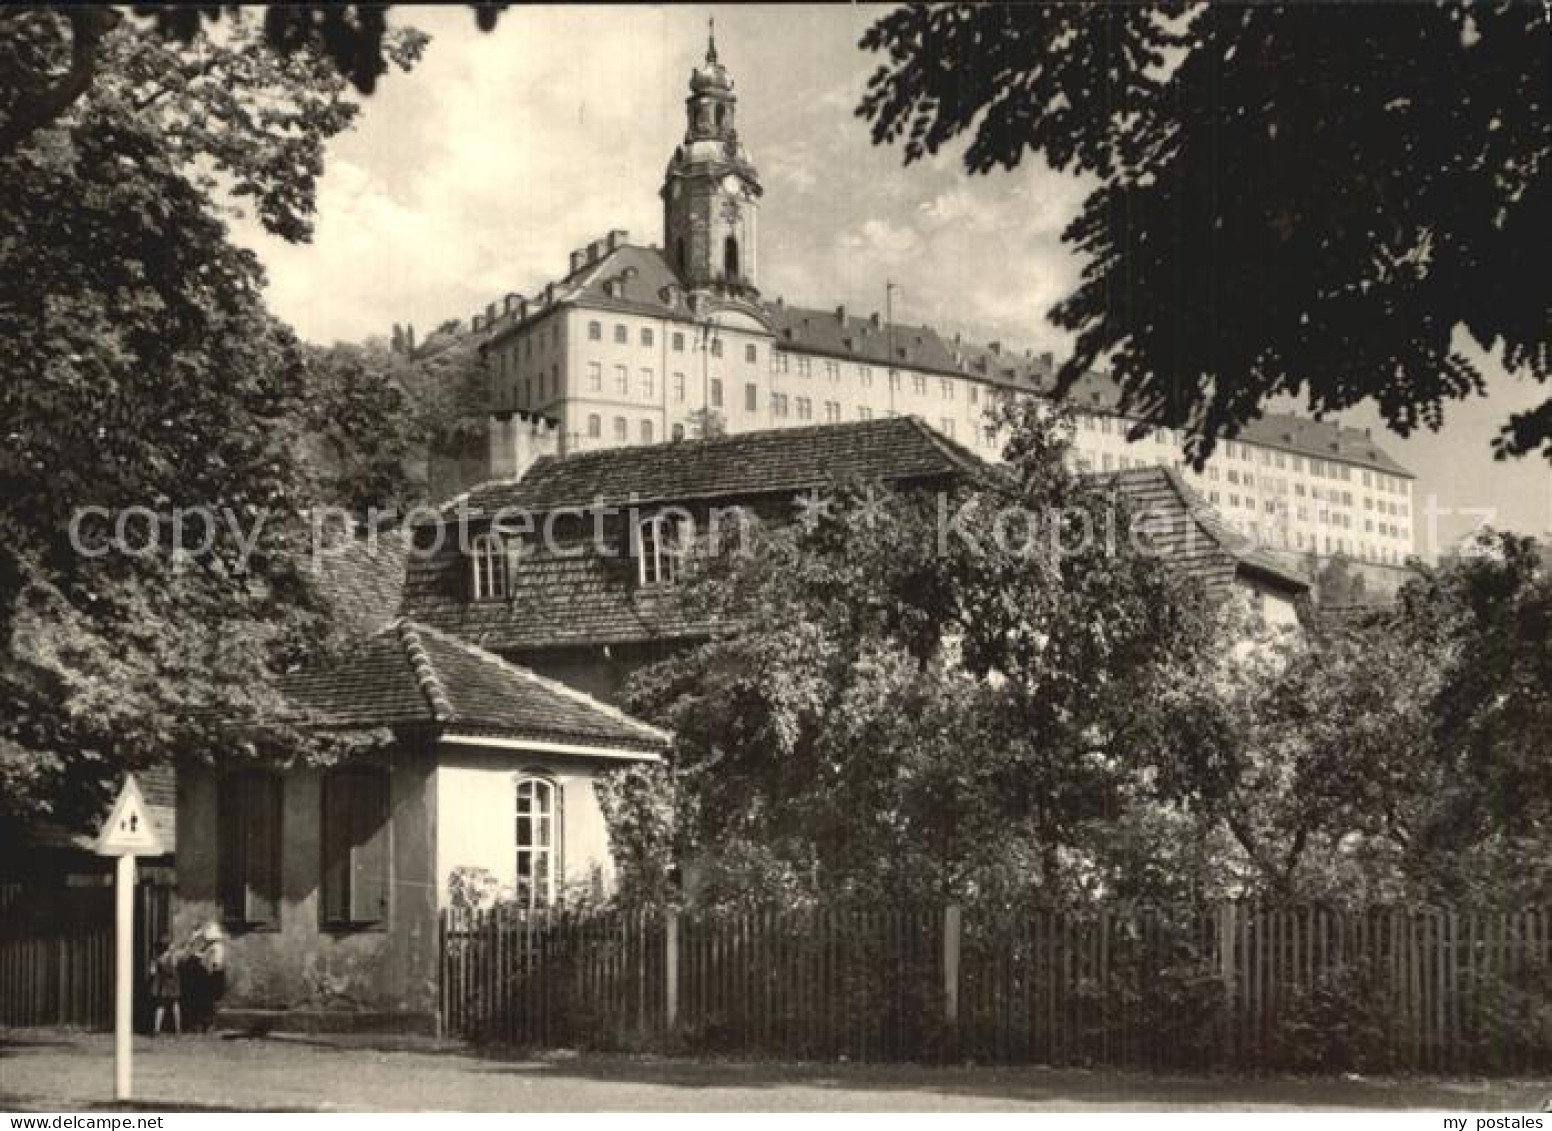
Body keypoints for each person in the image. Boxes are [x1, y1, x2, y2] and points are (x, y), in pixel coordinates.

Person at [182, 921, 228, 1031]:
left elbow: (212, 963)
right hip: (211, 974)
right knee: (206, 1001)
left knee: (208, 1001)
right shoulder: (213, 946)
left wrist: (197, 954)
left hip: (212, 975)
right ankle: (206, 1024)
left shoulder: (216, 947)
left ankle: (207, 1024)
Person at [147, 934, 182, 1036]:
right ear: (169, 946)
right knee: (175, 1005)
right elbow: (175, 966)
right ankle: (177, 1029)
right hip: (173, 982)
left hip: (162, 983)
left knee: (161, 1005)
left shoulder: (157, 957)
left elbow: (152, 971)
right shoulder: (173, 956)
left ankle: (156, 1029)